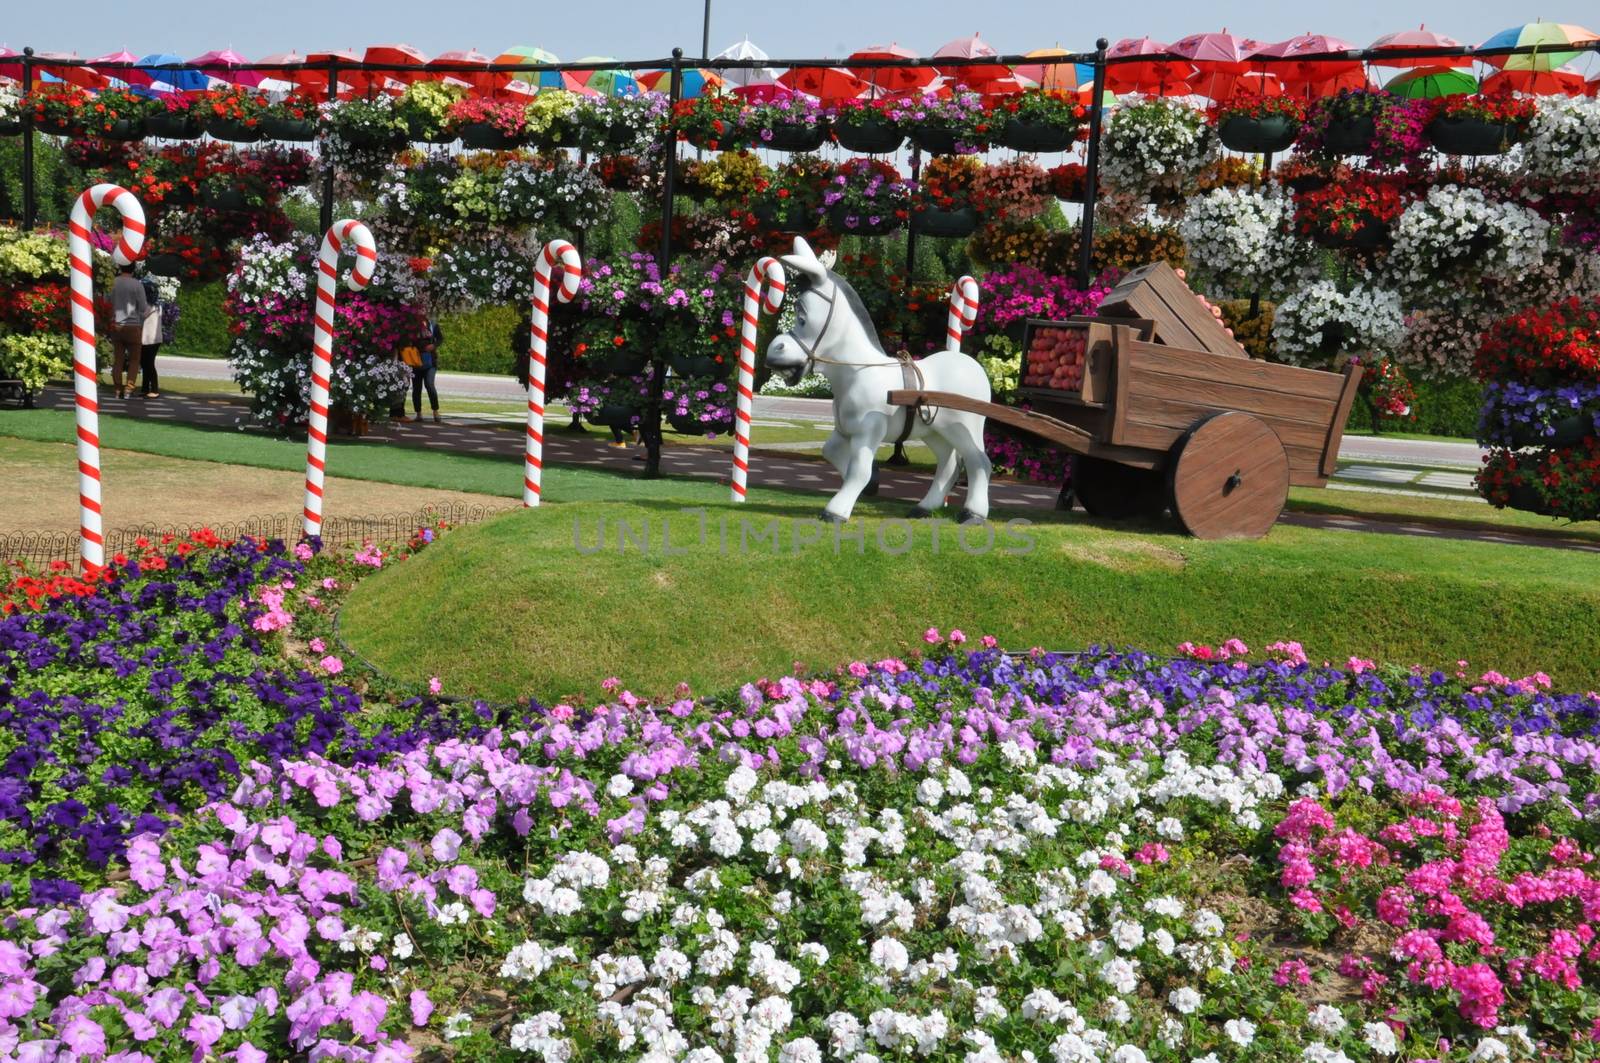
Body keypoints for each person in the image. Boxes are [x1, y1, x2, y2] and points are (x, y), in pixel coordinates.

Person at [109, 264, 147, 400]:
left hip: (116, 325)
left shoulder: (113, 282)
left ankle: (117, 389)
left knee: (118, 359)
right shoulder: (137, 285)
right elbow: (143, 307)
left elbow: (107, 301)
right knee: (134, 360)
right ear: (134, 269)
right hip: (133, 325)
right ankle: (128, 389)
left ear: (119, 267)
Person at [413, 315, 442, 424]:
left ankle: (435, 411)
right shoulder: (412, 326)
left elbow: (440, 339)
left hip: (430, 361)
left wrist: (433, 346)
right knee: (416, 388)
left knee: (429, 385)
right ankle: (418, 413)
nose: (422, 312)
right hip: (415, 360)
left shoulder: (432, 324)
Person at [138, 275, 162, 398]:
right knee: (145, 363)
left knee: (149, 363)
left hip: (151, 340)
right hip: (149, 339)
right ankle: (145, 388)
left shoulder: (150, 306)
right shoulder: (154, 305)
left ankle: (154, 389)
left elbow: (141, 315)